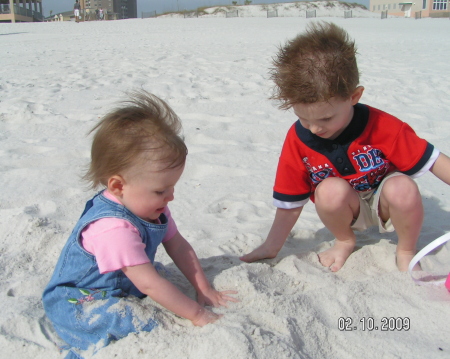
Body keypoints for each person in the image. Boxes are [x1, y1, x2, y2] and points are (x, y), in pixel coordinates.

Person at [240, 22, 450, 272]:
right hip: (344, 208)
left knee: (403, 187)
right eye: (303, 118)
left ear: (354, 96)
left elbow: (434, 161)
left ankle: (405, 250)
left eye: (326, 119)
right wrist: (272, 246)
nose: (314, 129)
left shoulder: (382, 125)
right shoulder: (298, 139)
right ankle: (344, 240)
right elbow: (290, 200)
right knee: (327, 191)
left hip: (386, 203)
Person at [42, 91, 238, 358]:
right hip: (80, 300)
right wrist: (197, 314)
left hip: (122, 284)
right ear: (118, 185)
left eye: (172, 187)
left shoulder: (150, 206)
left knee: (156, 279)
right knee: (133, 321)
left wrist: (204, 289)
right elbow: (149, 285)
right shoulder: (113, 228)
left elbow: (178, 245)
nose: (171, 197)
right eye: (161, 191)